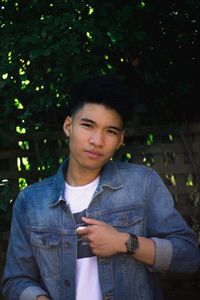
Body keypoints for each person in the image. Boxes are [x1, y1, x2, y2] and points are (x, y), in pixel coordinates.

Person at [1, 75, 200, 300]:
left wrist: (126, 242)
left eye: (111, 131)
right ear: (69, 126)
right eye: (88, 125)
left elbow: (189, 256)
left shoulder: (143, 184)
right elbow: (15, 280)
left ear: (120, 139)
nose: (97, 140)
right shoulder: (31, 202)